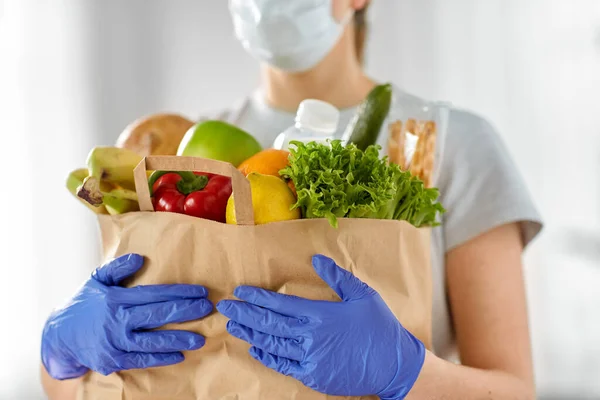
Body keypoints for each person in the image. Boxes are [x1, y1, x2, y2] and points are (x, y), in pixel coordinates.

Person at [41, 0, 543, 399]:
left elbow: (515, 391)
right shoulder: (179, 154)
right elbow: (88, 385)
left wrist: (407, 372)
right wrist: (60, 354)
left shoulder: (450, 145)